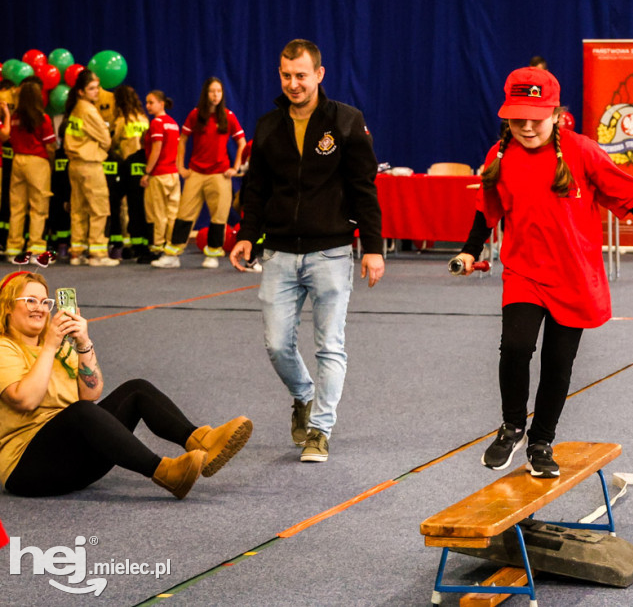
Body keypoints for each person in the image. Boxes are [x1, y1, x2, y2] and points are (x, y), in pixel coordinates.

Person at [453, 67, 633, 478]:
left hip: (574, 276)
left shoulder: (582, 151)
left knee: (558, 363)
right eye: (517, 119)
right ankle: (512, 426)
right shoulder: (499, 154)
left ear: (555, 113)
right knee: (515, 346)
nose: (526, 127)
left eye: (536, 119)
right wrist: (470, 251)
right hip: (524, 271)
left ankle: (542, 440)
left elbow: (629, 192)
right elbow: (486, 210)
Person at [229, 39, 385, 464]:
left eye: (301, 75)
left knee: (329, 346)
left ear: (319, 74)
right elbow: (256, 190)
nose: (294, 83)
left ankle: (320, 429)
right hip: (278, 253)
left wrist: (373, 247)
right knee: (278, 344)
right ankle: (304, 396)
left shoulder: (346, 122)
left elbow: (363, 189)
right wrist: (247, 235)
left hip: (331, 252)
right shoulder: (267, 126)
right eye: (286, 76)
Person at [0, 271, 252, 499]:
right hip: (28, 471)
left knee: (136, 389)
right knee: (79, 412)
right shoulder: (5, 348)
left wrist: (83, 343)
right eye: (30, 301)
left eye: (45, 302)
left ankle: (200, 440)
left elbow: (91, 392)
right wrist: (50, 346)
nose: (41, 309)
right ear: (8, 307)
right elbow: (27, 400)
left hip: (74, 462)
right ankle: (165, 472)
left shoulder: (58, 345)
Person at [152, 77, 245, 269]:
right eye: (212, 91)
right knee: (184, 214)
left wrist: (235, 167)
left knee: (219, 217)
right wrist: (180, 167)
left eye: (219, 91)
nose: (216, 95)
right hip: (196, 173)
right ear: (206, 93)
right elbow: (183, 140)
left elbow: (242, 143)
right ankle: (172, 254)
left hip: (220, 175)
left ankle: (212, 254)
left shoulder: (228, 116)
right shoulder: (195, 115)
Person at [63, 70, 118, 267]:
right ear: (81, 91)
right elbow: (106, 139)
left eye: (97, 88)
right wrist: (101, 147)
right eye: (92, 88)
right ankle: (97, 253)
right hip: (90, 165)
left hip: (75, 165)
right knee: (98, 209)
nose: (96, 92)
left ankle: (76, 252)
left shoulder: (76, 108)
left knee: (78, 209)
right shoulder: (89, 111)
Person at [2, 83, 56, 265]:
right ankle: (35, 251)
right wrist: (51, 163)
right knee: (38, 208)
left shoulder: (15, 117)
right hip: (37, 162)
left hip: (18, 161)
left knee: (17, 208)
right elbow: (49, 146)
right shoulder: (42, 118)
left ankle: (13, 249)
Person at [109, 85, 150, 261]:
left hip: (127, 166)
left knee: (125, 206)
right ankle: (143, 242)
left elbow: (112, 143)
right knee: (143, 205)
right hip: (144, 165)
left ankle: (127, 242)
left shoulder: (121, 121)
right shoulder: (143, 119)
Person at [140, 90, 181, 264]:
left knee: (157, 214)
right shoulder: (173, 123)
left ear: (161, 104)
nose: (148, 106)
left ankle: (156, 249)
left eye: (151, 102)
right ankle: (171, 249)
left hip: (159, 174)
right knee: (172, 214)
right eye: (147, 102)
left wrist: (147, 172)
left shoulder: (157, 123)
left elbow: (156, 149)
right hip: (173, 174)